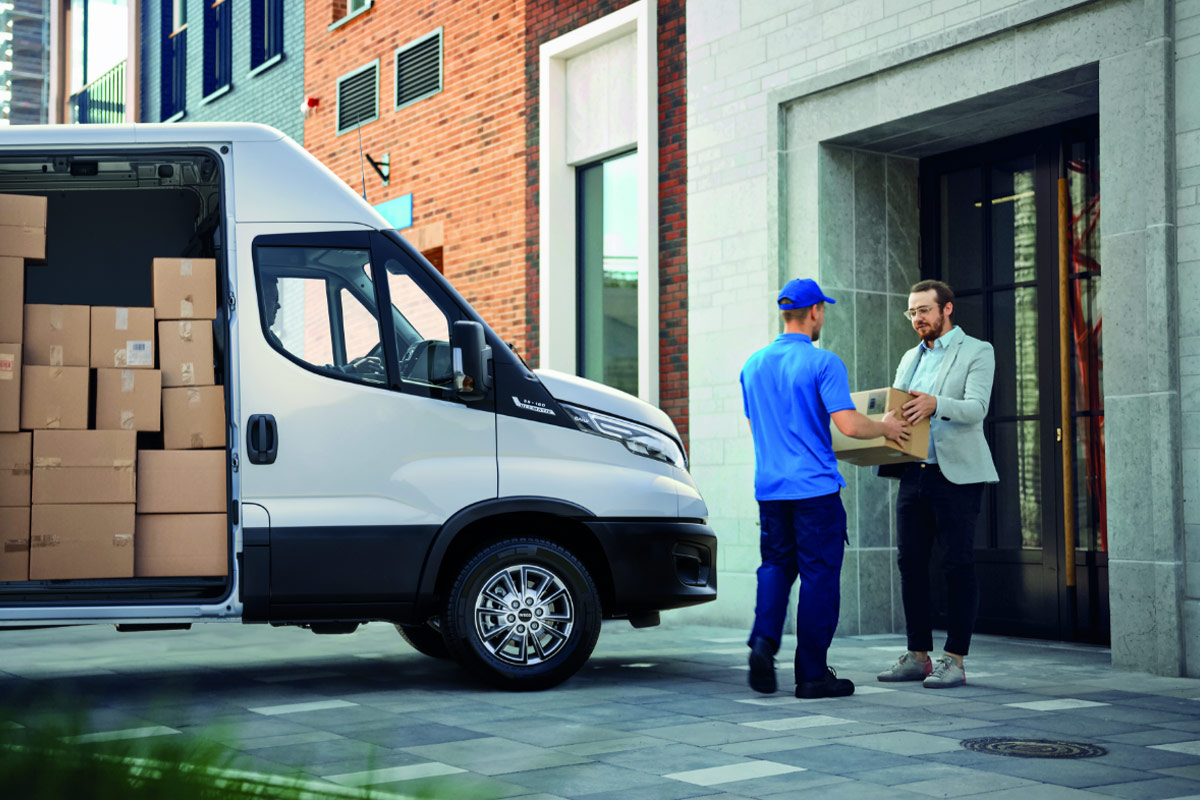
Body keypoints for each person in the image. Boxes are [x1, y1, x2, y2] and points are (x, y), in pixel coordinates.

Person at [742, 278, 908, 698]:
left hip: (771, 489)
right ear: (814, 311)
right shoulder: (823, 362)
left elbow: (761, 427)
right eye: (823, 311)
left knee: (776, 567)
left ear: (785, 313)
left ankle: (763, 643)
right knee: (819, 578)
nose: (823, 318)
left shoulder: (753, 365)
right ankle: (812, 674)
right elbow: (849, 424)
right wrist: (886, 426)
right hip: (814, 491)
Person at [877, 279, 999, 689]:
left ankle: (955, 659)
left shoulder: (978, 350)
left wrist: (936, 404)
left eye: (924, 310)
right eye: (912, 312)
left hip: (957, 475)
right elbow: (898, 407)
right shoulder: (910, 357)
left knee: (957, 563)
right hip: (914, 472)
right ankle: (918, 656)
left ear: (947, 309)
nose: (917, 319)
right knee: (910, 564)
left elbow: (977, 408)